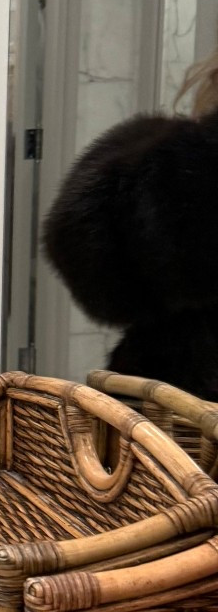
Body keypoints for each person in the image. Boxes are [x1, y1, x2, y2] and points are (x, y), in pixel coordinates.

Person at [43, 33, 218, 397]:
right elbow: (88, 253)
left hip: (171, 402)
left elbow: (90, 256)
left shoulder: (171, 166)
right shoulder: (175, 166)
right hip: (170, 401)